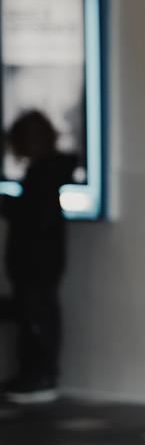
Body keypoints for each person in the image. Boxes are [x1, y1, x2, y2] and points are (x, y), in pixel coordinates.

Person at [2, 110, 78, 404]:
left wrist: (10, 207)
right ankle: (33, 375)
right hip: (36, 262)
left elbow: (34, 218)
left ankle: (40, 377)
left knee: (38, 316)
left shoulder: (44, 176)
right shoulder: (45, 173)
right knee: (32, 315)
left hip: (37, 262)